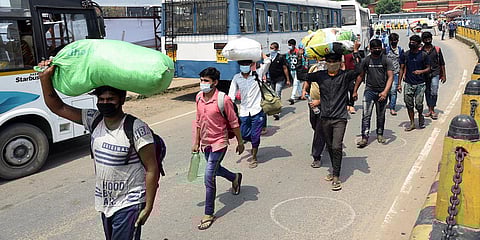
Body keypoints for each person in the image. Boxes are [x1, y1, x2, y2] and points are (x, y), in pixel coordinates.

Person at [37, 60, 160, 240]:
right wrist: (44, 78)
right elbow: (58, 107)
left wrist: (148, 206)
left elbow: (152, 169)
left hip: (130, 203)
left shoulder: (136, 128)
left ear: (121, 100)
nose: (104, 103)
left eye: (110, 99)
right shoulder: (94, 119)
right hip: (105, 202)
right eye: (101, 100)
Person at [305, 41, 362, 191]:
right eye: (329, 62)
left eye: (334, 61)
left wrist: (355, 53)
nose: (331, 64)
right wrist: (302, 58)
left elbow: (359, 69)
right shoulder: (320, 76)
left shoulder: (345, 76)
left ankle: (336, 176)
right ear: (326, 62)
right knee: (330, 146)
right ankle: (333, 170)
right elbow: (302, 76)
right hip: (324, 118)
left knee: (337, 146)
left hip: (339, 118)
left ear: (339, 62)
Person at [193, 67, 244, 230]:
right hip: (205, 143)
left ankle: (208, 213)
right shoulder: (199, 97)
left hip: (219, 142)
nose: (203, 84)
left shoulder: (223, 99)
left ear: (215, 82)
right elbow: (198, 121)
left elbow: (234, 122)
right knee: (214, 169)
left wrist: (240, 142)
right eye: (201, 80)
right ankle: (234, 177)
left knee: (209, 176)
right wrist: (196, 141)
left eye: (206, 81)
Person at [228, 54, 271, 168]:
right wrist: (229, 106)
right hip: (244, 112)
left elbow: (268, 61)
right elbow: (231, 95)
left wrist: (260, 53)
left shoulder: (258, 73)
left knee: (255, 135)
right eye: (242, 64)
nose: (244, 66)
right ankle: (248, 143)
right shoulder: (237, 78)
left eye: (247, 64)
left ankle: (254, 157)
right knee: (243, 133)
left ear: (251, 65)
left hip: (257, 111)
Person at [353, 39, 394, 148]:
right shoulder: (366, 60)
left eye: (378, 48)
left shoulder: (386, 60)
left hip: (382, 92)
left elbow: (390, 77)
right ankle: (364, 137)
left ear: (382, 48)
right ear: (370, 49)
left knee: (381, 115)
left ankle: (380, 134)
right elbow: (361, 76)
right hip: (369, 91)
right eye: (374, 48)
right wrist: (355, 90)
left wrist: (385, 92)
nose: (377, 50)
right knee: (366, 115)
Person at [398, 35, 431, 131]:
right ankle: (412, 122)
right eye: (410, 41)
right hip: (408, 83)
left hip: (420, 84)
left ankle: (420, 115)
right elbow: (401, 68)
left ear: (418, 44)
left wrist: (421, 71)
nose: (411, 43)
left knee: (419, 104)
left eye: (413, 42)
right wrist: (399, 84)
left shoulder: (424, 55)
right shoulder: (406, 55)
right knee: (409, 104)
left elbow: (429, 68)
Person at [421, 31, 446, 120]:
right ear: (423, 40)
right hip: (425, 74)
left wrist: (444, 75)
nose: (428, 40)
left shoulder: (437, 49)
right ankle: (430, 109)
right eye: (426, 39)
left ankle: (433, 108)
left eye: (429, 38)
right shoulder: (420, 50)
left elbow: (442, 63)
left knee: (434, 90)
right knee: (427, 91)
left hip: (435, 73)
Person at [268, 42, 290, 120]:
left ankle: (277, 112)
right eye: (270, 48)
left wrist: (287, 79)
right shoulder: (268, 57)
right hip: (272, 79)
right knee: (272, 95)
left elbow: (285, 68)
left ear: (276, 49)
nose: (271, 50)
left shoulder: (280, 57)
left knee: (277, 93)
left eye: (272, 48)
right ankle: (274, 108)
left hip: (280, 78)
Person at [385, 33, 404, 116]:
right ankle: (390, 102)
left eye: (395, 40)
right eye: (392, 41)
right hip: (386, 73)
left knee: (393, 91)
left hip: (395, 73)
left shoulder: (400, 50)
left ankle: (392, 107)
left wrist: (400, 80)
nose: (394, 42)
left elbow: (402, 65)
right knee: (388, 90)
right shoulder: (386, 50)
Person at [286, 39, 305, 105]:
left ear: (293, 45)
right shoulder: (289, 53)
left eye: (290, 45)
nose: (289, 46)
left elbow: (302, 60)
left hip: (297, 69)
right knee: (297, 82)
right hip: (292, 69)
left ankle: (292, 97)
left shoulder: (297, 52)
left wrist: (302, 67)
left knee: (295, 83)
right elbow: (287, 60)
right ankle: (301, 94)